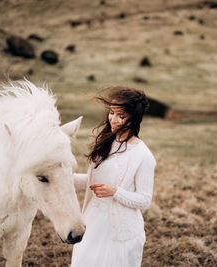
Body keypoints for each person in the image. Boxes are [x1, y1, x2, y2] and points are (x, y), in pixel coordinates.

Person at [71, 86, 156, 267]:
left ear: (134, 119)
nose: (113, 120)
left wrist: (115, 191)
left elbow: (144, 200)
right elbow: (94, 183)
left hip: (120, 233)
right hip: (93, 222)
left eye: (121, 116)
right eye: (111, 113)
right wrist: (65, 179)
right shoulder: (107, 142)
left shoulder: (143, 155)